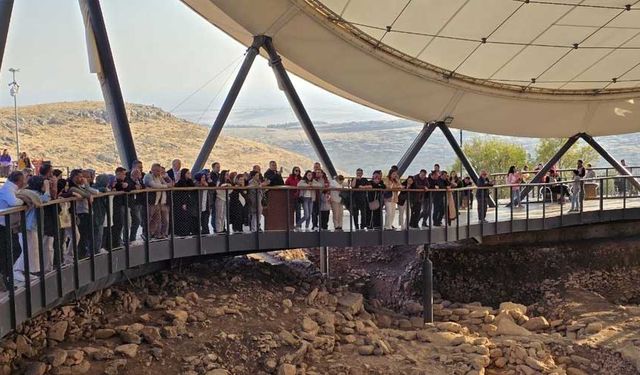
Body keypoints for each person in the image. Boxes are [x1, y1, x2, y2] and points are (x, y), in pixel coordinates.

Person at [13, 175, 50, 281]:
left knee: (31, 249)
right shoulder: (33, 195)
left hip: (31, 226)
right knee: (28, 249)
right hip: (27, 226)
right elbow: (45, 199)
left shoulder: (34, 194)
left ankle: (24, 271)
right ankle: (16, 270)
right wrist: (47, 189)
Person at [0, 171, 25, 288]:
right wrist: (23, 201)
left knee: (12, 251)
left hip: (8, 226)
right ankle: (5, 278)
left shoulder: (11, 188)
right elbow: (13, 202)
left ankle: (6, 278)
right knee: (8, 252)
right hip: (3, 226)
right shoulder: (8, 189)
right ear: (19, 181)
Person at [143, 164, 169, 239]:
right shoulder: (148, 176)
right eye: (157, 171)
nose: (159, 172)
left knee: (157, 219)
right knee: (148, 218)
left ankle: (155, 234)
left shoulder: (159, 177)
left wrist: (165, 185)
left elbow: (167, 184)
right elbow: (154, 186)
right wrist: (165, 186)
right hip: (150, 201)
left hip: (158, 201)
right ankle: (146, 234)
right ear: (152, 170)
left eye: (159, 171)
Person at [173, 169, 198, 236]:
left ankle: (188, 231)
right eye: (188, 173)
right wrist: (183, 203)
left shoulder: (189, 182)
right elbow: (181, 193)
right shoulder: (181, 182)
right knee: (182, 218)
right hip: (181, 203)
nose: (189, 174)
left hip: (188, 202)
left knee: (188, 217)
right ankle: (181, 232)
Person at [125, 168, 145, 242]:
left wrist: (140, 186)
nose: (139, 175)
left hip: (139, 202)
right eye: (137, 174)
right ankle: (130, 239)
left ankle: (132, 238)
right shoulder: (128, 180)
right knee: (136, 220)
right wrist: (134, 187)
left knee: (137, 220)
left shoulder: (139, 180)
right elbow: (128, 187)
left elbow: (143, 186)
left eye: (139, 174)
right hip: (132, 203)